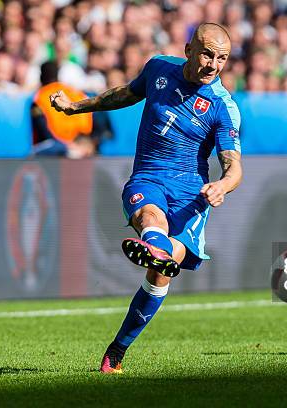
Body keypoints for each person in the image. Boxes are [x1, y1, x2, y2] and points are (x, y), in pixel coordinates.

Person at [50, 23, 242, 373]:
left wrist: (222, 186)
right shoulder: (158, 69)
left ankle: (118, 347)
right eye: (207, 54)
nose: (214, 64)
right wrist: (76, 108)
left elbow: (234, 166)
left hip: (191, 196)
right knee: (150, 220)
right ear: (188, 50)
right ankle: (157, 247)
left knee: (162, 271)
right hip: (149, 177)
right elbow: (125, 94)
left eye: (222, 58)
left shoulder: (222, 107)